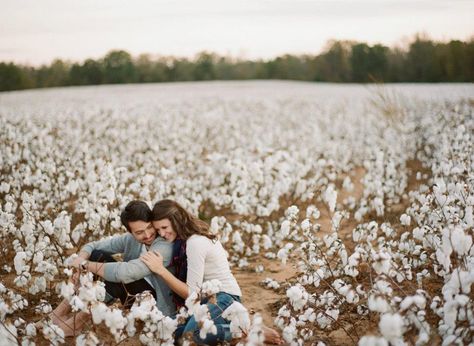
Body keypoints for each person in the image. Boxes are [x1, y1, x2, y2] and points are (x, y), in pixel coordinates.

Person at [141, 199, 283, 345]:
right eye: (158, 230)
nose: (162, 233)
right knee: (172, 335)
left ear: (176, 220)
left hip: (224, 297)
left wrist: (161, 270)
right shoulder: (186, 239)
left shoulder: (195, 242)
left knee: (191, 336)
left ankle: (248, 331)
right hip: (206, 300)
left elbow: (192, 293)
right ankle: (233, 325)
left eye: (164, 227)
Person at [49, 200, 175, 336]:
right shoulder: (130, 240)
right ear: (131, 232)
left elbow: (127, 273)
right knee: (98, 255)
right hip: (133, 298)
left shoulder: (164, 245)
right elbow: (93, 246)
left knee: (117, 278)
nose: (147, 234)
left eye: (150, 227)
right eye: (139, 232)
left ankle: (76, 323)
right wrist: (80, 260)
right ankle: (59, 313)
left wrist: (85, 265)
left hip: (156, 307)